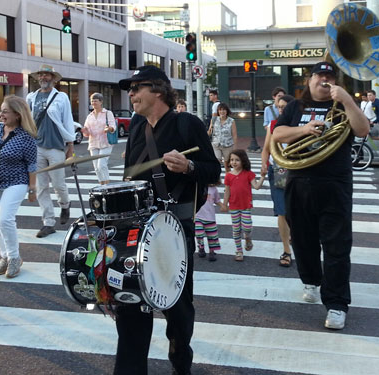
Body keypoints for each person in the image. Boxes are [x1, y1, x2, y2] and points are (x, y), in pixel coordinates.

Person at [117, 65, 220, 375]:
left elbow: (213, 171)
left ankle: (180, 360)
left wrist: (189, 166)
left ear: (158, 90)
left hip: (174, 228)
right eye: (129, 89)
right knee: (131, 302)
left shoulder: (186, 124)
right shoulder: (136, 125)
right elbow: (128, 177)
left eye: (137, 87)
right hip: (136, 227)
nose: (131, 94)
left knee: (177, 306)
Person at [272, 61, 370, 330]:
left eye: (329, 77)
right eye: (319, 76)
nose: (324, 81)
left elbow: (362, 130)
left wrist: (348, 100)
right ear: (310, 80)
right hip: (299, 181)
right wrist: (304, 130)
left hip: (334, 183)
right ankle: (312, 280)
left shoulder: (343, 105)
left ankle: (337, 304)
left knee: (337, 246)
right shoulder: (295, 106)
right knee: (302, 242)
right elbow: (277, 134)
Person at [0, 96, 38, 279]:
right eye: (0, 111)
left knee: (4, 220)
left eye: (5, 111)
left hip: (17, 181)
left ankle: (15, 258)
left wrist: (32, 189)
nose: (0, 115)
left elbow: (32, 165)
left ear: (17, 114)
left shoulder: (26, 137)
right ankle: (5, 256)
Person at [26, 64, 75, 238]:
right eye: (41, 75)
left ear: (53, 79)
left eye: (47, 75)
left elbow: (68, 120)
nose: (43, 78)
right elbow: (27, 119)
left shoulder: (61, 97)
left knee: (59, 184)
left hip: (55, 146)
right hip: (37, 146)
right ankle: (48, 222)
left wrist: (70, 145)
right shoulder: (31, 97)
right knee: (41, 187)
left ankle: (65, 204)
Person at [260, 94, 295, 267]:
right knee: (281, 210)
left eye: (284, 107)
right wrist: (264, 164)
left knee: (296, 210)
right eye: (279, 107)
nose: (280, 109)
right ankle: (286, 250)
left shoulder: (300, 125)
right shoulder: (273, 125)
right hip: (279, 170)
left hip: (298, 171)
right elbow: (266, 149)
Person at [222, 149, 265, 261]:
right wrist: (224, 204)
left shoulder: (248, 174)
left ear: (243, 161)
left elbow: (256, 186)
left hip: (245, 206)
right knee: (236, 229)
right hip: (233, 206)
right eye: (232, 160)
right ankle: (239, 251)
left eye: (237, 160)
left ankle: (248, 238)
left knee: (247, 227)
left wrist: (262, 177)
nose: (234, 162)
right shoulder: (228, 176)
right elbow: (227, 191)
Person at [82, 92, 116, 185]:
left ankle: (107, 185)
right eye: (92, 101)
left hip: (106, 142)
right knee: (96, 168)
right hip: (93, 143)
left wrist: (109, 128)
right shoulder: (90, 116)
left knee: (102, 165)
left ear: (101, 102)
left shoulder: (107, 113)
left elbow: (113, 126)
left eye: (95, 101)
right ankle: (102, 185)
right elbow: (87, 132)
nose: (93, 103)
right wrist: (83, 130)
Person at [195, 181, 222, 262]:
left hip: (210, 217)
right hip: (198, 215)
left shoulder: (214, 189)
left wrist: (223, 206)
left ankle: (212, 252)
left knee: (212, 236)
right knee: (198, 233)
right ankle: (201, 247)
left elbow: (217, 200)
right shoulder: (197, 187)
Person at [208, 102, 237, 168]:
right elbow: (209, 131)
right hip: (216, 145)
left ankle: (227, 177)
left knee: (227, 166)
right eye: (220, 110)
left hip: (227, 145)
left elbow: (234, 135)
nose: (222, 111)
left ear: (227, 111)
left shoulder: (231, 121)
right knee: (216, 163)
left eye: (224, 110)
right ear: (218, 111)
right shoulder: (214, 120)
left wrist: (235, 148)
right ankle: (217, 178)